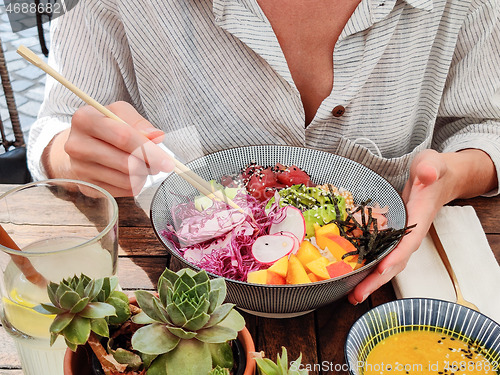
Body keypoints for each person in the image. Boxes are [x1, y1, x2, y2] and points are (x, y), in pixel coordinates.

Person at [27, 0, 500, 305]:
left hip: (395, 304)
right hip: (182, 302)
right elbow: (54, 127)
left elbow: (486, 125)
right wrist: (76, 157)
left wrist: (452, 176)